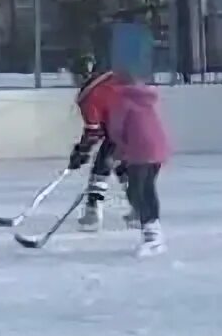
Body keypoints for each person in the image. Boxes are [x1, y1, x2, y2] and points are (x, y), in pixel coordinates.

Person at [105, 72, 171, 257]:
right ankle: (154, 232)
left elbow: (117, 131)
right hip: (157, 148)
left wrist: (116, 154)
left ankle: (151, 234)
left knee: (136, 191)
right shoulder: (146, 98)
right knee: (147, 188)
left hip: (139, 150)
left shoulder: (120, 100)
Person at [67, 54, 130, 230]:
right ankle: (140, 208)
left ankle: (93, 214)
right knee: (122, 167)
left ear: (82, 75)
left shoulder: (87, 96)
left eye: (74, 74)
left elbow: (93, 131)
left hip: (120, 132)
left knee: (100, 169)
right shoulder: (113, 78)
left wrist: (82, 151)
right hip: (140, 127)